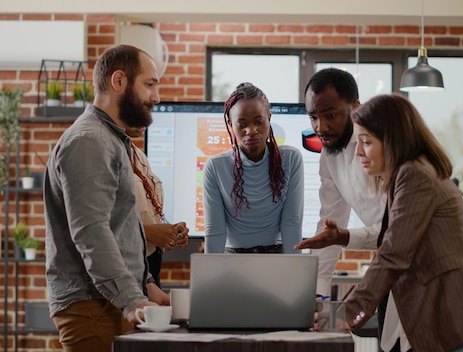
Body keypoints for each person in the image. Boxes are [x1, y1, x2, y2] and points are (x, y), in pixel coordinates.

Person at [306, 93, 463, 351]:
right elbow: (394, 239)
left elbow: (393, 253)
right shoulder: (409, 173)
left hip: (455, 319)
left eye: (365, 141)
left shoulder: (414, 175)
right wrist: (343, 237)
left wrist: (344, 313)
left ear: (391, 140)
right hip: (448, 320)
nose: (359, 151)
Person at [44, 44, 170, 352]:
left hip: (106, 302)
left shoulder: (112, 140)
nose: (155, 97)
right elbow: (91, 230)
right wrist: (132, 299)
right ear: (118, 82)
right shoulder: (89, 141)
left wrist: (147, 284)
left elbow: (119, 227)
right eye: (149, 84)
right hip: (93, 306)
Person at [297, 68, 385, 297]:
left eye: (330, 116)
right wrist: (317, 290)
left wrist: (344, 236)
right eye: (313, 117)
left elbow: (401, 229)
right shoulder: (329, 157)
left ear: (356, 107)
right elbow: (330, 221)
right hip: (392, 259)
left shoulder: (384, 147)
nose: (321, 128)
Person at [202, 82, 304, 254]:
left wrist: (293, 272)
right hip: (233, 259)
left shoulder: (291, 159)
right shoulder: (215, 167)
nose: (251, 130)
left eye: (258, 121)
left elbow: (292, 222)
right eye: (242, 124)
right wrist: (211, 276)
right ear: (230, 124)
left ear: (269, 118)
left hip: (276, 256)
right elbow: (214, 230)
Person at [126, 129, 190, 287]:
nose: (154, 102)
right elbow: (97, 227)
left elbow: (145, 210)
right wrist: (147, 232)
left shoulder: (137, 154)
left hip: (148, 267)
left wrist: (171, 230)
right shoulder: (99, 151)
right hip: (126, 275)